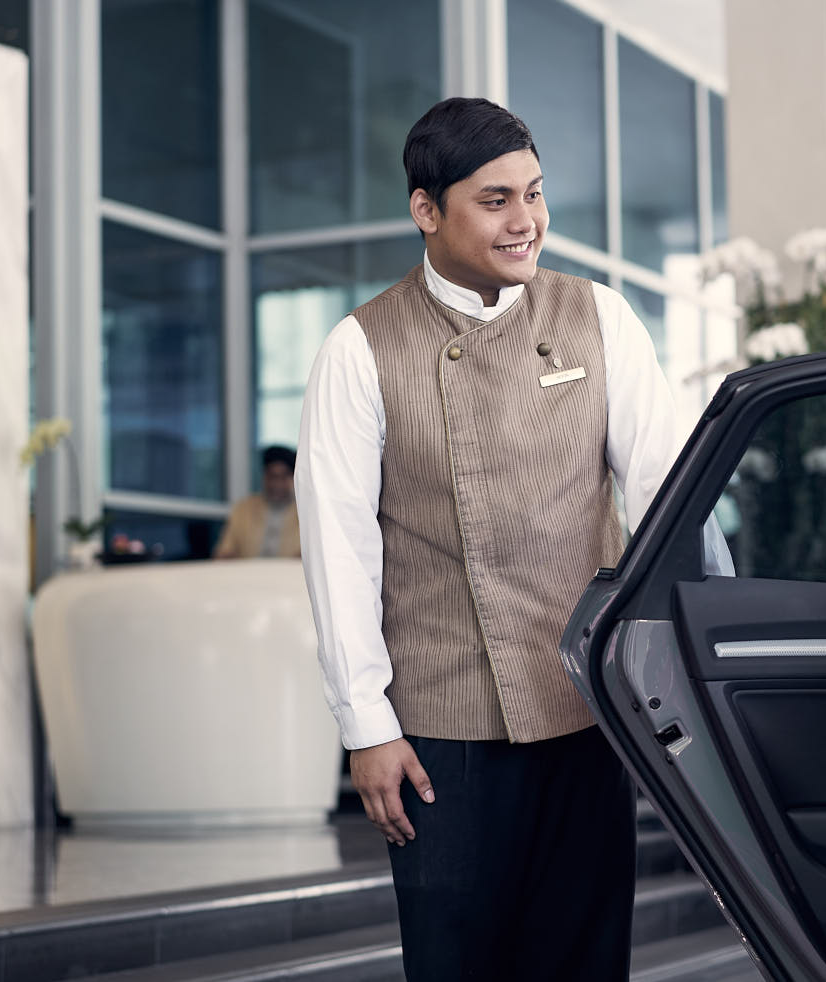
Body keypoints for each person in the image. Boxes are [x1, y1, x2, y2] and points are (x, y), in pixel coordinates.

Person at [294, 97, 688, 981]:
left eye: (535, 195)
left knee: (586, 963)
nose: (526, 222)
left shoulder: (600, 318)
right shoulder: (360, 348)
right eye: (495, 200)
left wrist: (678, 677)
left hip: (586, 708)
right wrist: (367, 728)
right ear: (425, 210)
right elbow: (340, 551)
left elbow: (669, 503)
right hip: (439, 730)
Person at [213, 445, 300, 559]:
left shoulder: (304, 513)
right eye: (272, 476)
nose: (277, 484)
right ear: (264, 476)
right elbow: (224, 552)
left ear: (293, 478)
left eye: (283, 477)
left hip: (287, 576)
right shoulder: (243, 509)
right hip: (247, 575)